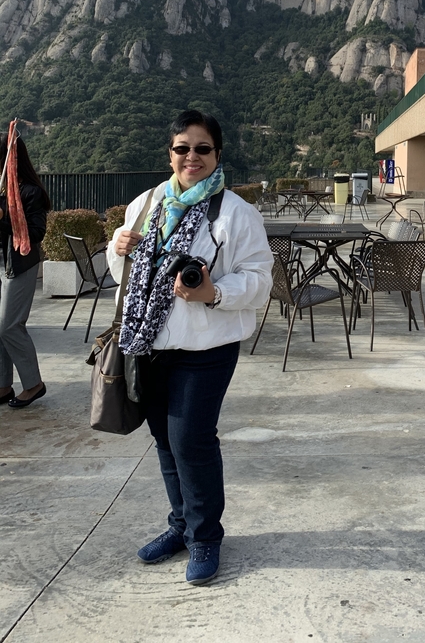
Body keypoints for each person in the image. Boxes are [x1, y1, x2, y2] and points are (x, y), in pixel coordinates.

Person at [108, 110, 273, 586]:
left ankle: (205, 537)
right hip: (150, 345)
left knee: (190, 441)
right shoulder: (145, 204)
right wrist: (116, 250)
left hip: (206, 349)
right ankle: (180, 526)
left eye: (203, 149)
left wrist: (212, 293)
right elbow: (124, 281)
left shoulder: (237, 213)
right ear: (171, 153)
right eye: (183, 148)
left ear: (217, 155)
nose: (192, 157)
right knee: (163, 441)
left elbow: (261, 282)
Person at [0, 134, 51, 408]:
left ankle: (33, 384)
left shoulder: (29, 192)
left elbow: (36, 233)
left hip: (19, 264)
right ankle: (3, 385)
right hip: (2, 263)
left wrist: (5, 221)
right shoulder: (1, 191)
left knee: (9, 326)